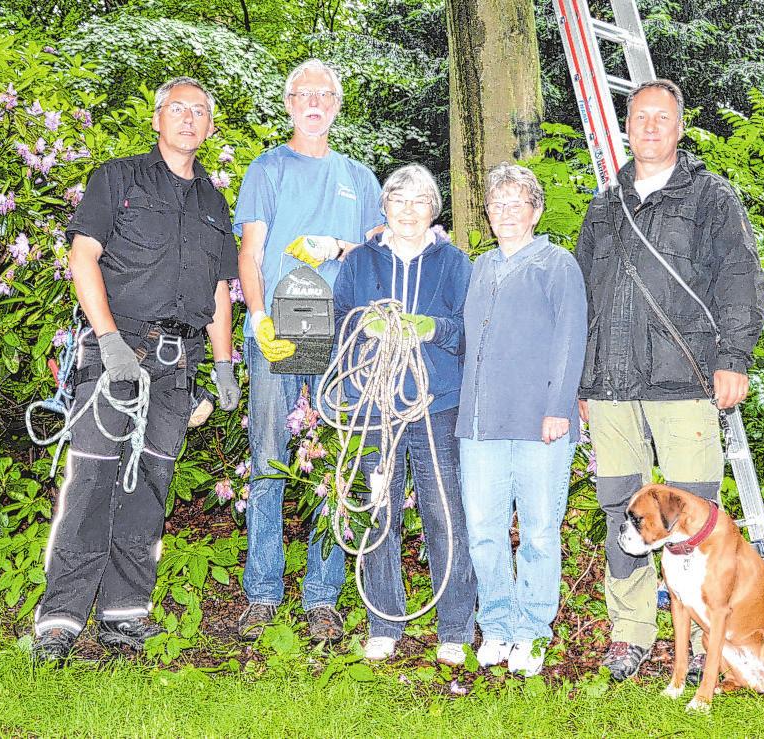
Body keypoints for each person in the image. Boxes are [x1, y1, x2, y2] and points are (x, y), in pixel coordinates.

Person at [32, 77, 241, 662]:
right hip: (112, 358)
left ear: (209, 126)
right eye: (179, 108)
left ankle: (124, 614)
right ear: (157, 118)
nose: (189, 118)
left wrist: (224, 365)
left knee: (148, 488)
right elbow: (83, 257)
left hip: (178, 368)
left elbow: (220, 291)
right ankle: (60, 620)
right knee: (92, 482)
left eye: (201, 111)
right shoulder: (117, 178)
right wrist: (108, 340)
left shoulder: (213, 203)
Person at [575, 79, 764, 682]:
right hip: (610, 391)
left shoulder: (712, 199)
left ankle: (716, 638)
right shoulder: (605, 208)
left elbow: (741, 279)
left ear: (680, 128)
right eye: (639, 119)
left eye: (662, 119)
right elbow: (583, 300)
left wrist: (733, 356)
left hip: (684, 384)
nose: (650, 128)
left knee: (695, 517)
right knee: (620, 513)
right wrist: (582, 382)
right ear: (625, 130)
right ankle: (630, 638)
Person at [234, 59, 383, 643]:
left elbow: (378, 253)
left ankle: (322, 598)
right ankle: (263, 593)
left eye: (325, 94)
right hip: (279, 330)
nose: (314, 102)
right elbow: (250, 253)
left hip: (337, 336)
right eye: (303, 94)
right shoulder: (266, 169)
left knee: (332, 466)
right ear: (289, 102)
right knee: (269, 459)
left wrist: (341, 245)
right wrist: (258, 315)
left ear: (337, 105)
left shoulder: (361, 178)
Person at [331, 164, 476, 666]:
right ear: (384, 207)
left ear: (434, 210)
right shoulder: (359, 262)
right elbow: (339, 322)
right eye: (399, 199)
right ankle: (384, 621)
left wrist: (432, 329)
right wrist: (362, 325)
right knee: (378, 512)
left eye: (420, 201)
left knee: (444, 514)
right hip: (374, 405)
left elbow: (469, 329)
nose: (409, 210)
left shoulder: (455, 262)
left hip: (438, 405)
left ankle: (455, 626)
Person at [456, 163, 587, 677]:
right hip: (482, 425)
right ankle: (498, 626)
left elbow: (571, 339)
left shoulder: (557, 264)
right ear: (487, 214)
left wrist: (558, 407)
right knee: (484, 530)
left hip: (541, 425)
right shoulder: (480, 267)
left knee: (537, 532)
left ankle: (532, 631)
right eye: (497, 204)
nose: (506, 212)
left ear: (535, 210)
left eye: (517, 203)